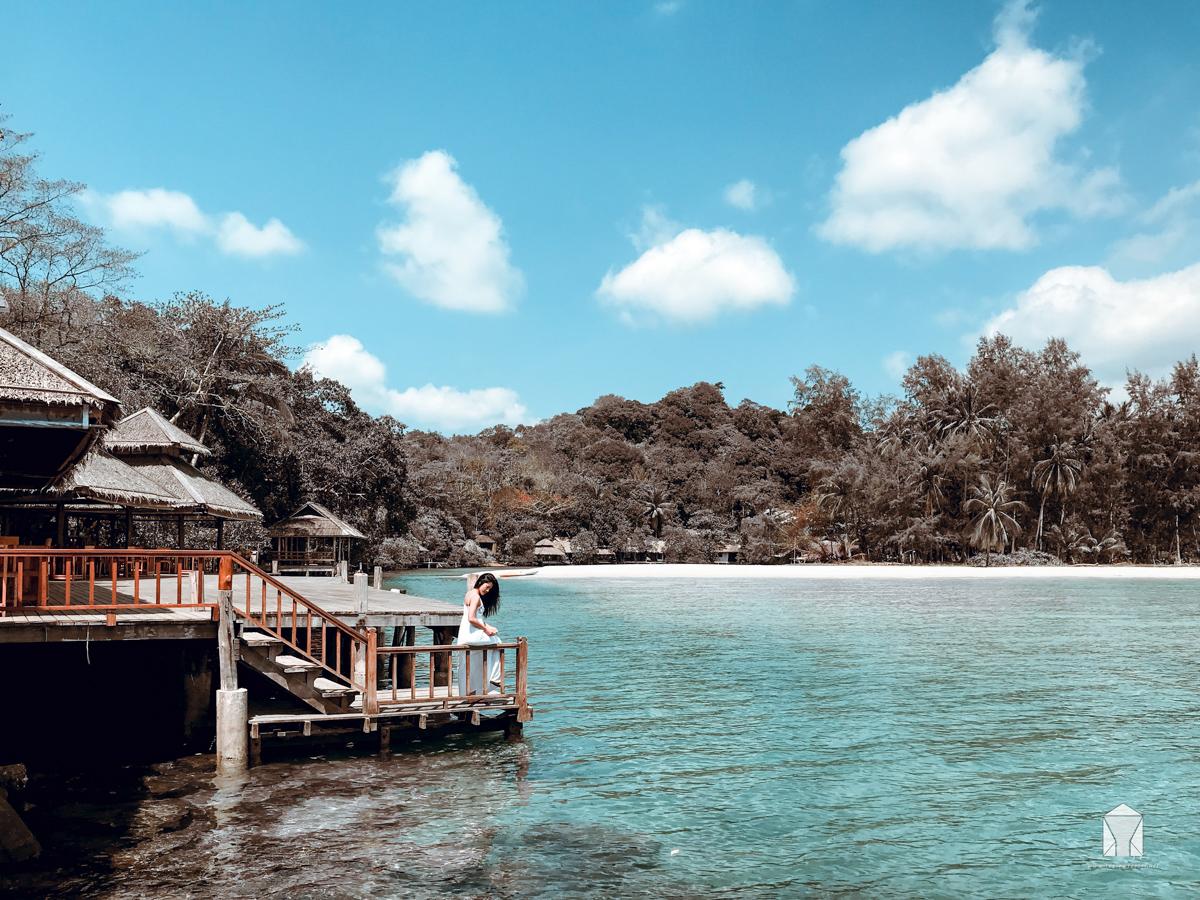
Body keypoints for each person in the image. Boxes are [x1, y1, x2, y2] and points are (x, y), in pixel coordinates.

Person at [456, 572, 503, 696]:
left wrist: (488, 626)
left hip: (466, 633)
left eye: (490, 589)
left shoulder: (470, 593)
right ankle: (495, 678)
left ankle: (472, 691)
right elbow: (471, 618)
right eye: (487, 587)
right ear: (481, 582)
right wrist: (486, 629)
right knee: (498, 642)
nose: (487, 590)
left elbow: (476, 618)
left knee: (473, 661)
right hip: (472, 634)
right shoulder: (476, 597)